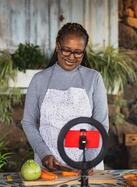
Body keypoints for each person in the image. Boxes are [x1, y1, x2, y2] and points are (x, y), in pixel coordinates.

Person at [22, 22, 109, 171]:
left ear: (84, 51)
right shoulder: (39, 79)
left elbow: (101, 125)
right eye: (66, 50)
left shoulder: (94, 78)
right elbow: (28, 122)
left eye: (78, 52)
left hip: (88, 165)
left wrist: (89, 161)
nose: (71, 57)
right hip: (48, 166)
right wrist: (44, 154)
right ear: (57, 47)